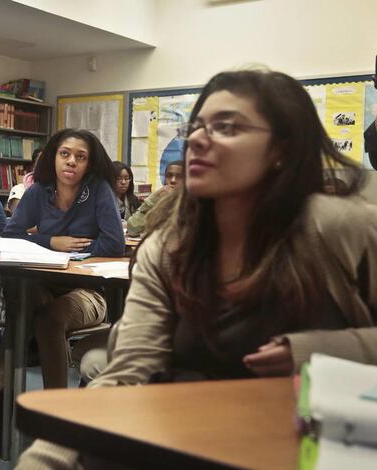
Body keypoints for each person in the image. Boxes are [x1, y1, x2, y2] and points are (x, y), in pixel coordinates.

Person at [19, 69, 377, 469]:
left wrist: (316, 352)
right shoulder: (170, 247)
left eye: (226, 127)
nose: (198, 140)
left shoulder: (345, 228)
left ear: (282, 149)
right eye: (198, 126)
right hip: (188, 440)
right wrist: (47, 459)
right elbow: (127, 375)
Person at [0, 129, 125, 464]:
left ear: (89, 163)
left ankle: (45, 420)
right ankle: (12, 423)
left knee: (43, 317)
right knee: (22, 304)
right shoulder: (39, 192)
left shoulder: (98, 190)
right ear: (53, 157)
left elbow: (113, 245)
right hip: (39, 287)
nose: (71, 161)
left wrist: (71, 255)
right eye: (65, 154)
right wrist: (50, 242)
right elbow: (11, 235)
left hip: (87, 293)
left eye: (80, 156)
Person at [125, 160, 184, 237]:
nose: (173, 180)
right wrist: (153, 199)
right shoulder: (158, 201)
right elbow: (132, 230)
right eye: (169, 176)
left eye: (179, 177)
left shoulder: (194, 205)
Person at [6, 147, 43, 215]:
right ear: (33, 167)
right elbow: (20, 217)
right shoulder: (19, 189)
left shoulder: (59, 190)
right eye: (42, 162)